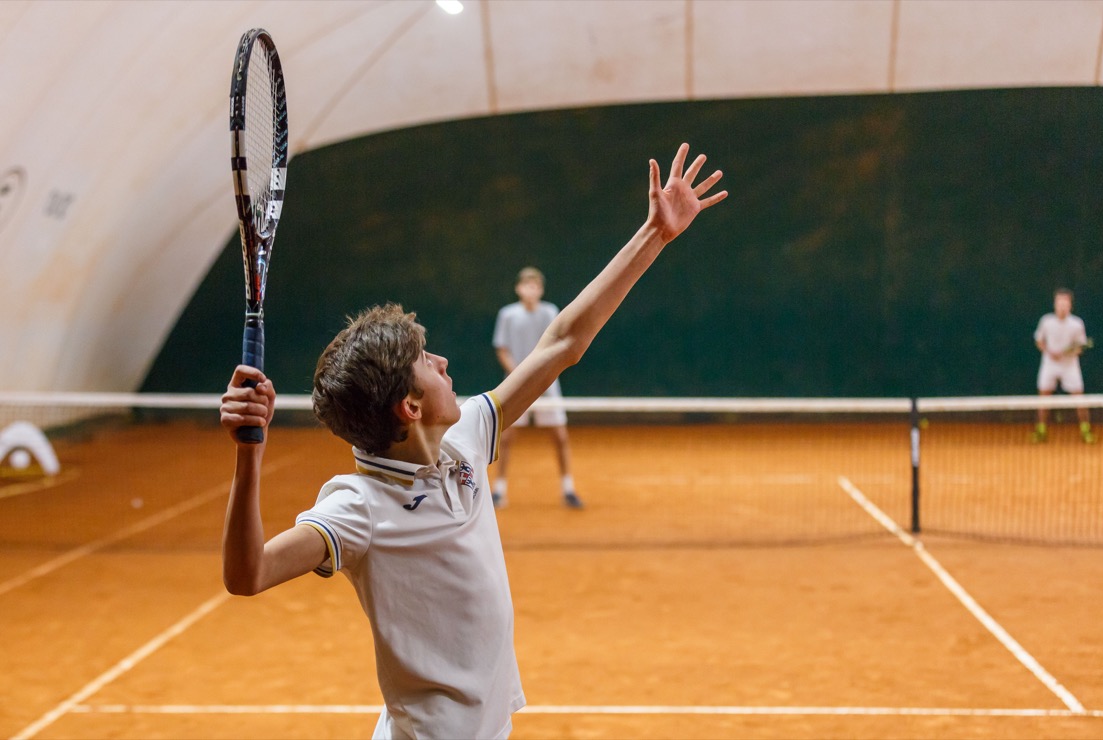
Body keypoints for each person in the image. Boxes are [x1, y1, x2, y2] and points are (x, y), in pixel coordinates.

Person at [218, 143, 727, 740]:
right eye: (427, 363)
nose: (443, 359)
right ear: (408, 408)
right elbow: (248, 574)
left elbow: (563, 341)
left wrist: (654, 236)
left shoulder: (462, 438)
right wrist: (249, 455)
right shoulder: (357, 509)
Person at [491, 266, 581, 509]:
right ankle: (499, 490)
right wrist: (519, 373)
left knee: (560, 437)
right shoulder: (507, 314)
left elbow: (557, 346)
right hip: (515, 383)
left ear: (540, 290)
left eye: (535, 286)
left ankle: (568, 488)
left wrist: (541, 374)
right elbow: (502, 349)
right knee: (506, 437)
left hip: (547, 383)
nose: (530, 290)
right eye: (526, 285)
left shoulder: (550, 311)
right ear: (518, 289)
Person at [1033, 287, 1095, 443]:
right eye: (1059, 303)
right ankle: (1041, 431)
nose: (1062, 306)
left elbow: (1080, 347)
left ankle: (1085, 430)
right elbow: (1039, 341)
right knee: (1043, 399)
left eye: (1065, 303)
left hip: (1070, 366)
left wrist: (1068, 353)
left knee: (1079, 399)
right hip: (1049, 364)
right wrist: (1049, 351)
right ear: (1055, 304)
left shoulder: (1076, 324)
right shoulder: (1046, 321)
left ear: (1070, 305)